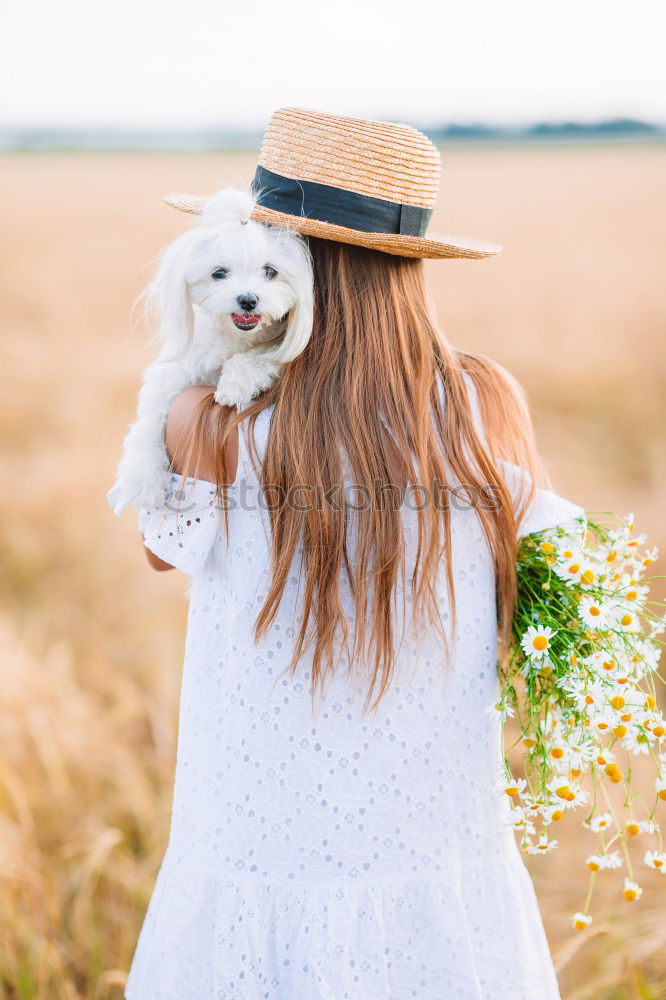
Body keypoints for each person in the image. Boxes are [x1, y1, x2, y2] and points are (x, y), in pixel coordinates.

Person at [115, 107, 582, 1000]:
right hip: (430, 811)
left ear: (291, 258)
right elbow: (530, 572)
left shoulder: (209, 418)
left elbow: (159, 553)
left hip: (254, 810)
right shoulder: (483, 400)